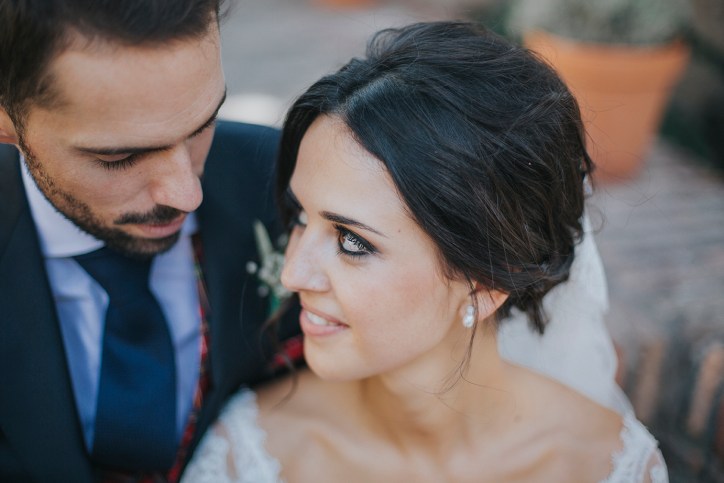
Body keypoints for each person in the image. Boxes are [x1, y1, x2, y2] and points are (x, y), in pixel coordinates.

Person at [183, 21, 666, 482]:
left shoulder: (608, 466)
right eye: (301, 219)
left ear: (486, 282)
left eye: (352, 242)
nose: (292, 274)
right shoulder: (255, 455)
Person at [0, 1, 299, 481]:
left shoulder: (288, 181)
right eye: (119, 158)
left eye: (203, 125)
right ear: (6, 120)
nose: (187, 194)